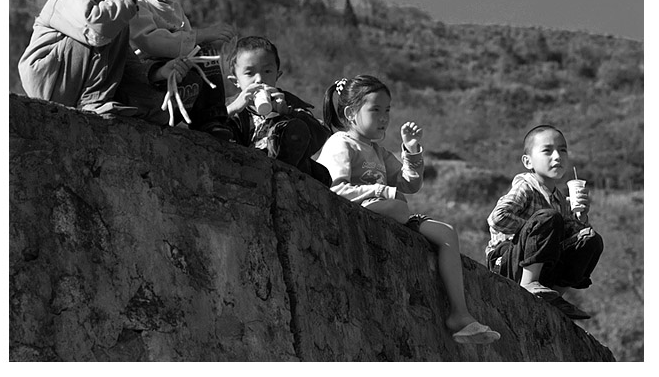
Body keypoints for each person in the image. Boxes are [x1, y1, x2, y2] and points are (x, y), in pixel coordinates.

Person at [317, 75, 500, 346]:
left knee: (446, 232)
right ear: (350, 113)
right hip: (363, 211)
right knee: (395, 205)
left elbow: (409, 184)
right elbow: (334, 188)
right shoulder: (340, 144)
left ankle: (459, 315)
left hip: (392, 212)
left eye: (387, 110)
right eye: (375, 110)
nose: (384, 117)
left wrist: (412, 151)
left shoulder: (377, 152)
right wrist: (382, 191)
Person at [18, 0, 190, 122]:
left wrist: (156, 73)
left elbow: (125, 60)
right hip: (53, 80)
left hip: (79, 82)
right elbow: (95, 30)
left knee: (114, 28)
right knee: (102, 26)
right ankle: (93, 102)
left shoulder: (112, 3)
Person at [128, 0, 236, 140]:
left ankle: (212, 120)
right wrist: (202, 35)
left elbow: (188, 46)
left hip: (179, 75)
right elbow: (150, 41)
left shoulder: (174, 9)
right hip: (147, 77)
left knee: (205, 53)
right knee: (201, 45)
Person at [485, 124, 604, 321]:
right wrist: (535, 229)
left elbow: (570, 240)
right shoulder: (526, 186)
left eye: (562, 150)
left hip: (543, 266)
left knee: (591, 240)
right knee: (549, 218)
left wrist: (580, 218)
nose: (557, 156)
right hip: (507, 262)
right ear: (528, 161)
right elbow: (497, 219)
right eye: (547, 151)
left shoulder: (559, 199)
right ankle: (528, 284)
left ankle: (553, 295)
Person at [225, 35, 331, 185]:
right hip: (245, 166)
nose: (259, 79)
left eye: (267, 71)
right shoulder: (229, 106)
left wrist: (287, 113)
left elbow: (319, 136)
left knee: (296, 129)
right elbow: (204, 126)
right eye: (249, 73)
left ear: (277, 75)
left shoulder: (290, 104)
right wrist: (232, 109)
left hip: (287, 167)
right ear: (235, 81)